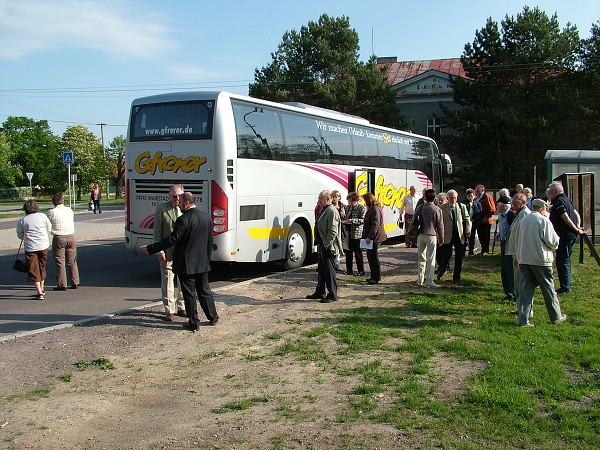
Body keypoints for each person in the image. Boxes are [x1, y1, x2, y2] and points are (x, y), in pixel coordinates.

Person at [141, 192, 218, 331]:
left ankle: (193, 322)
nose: (179, 205)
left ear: (187, 203)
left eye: (181, 202)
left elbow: (172, 239)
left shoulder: (183, 219)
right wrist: (206, 258)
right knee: (205, 291)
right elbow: (210, 240)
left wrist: (151, 248)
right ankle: (213, 317)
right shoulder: (206, 217)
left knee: (189, 294)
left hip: (186, 264)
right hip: (202, 262)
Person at [512, 198, 566, 327]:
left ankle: (523, 320)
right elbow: (553, 242)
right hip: (541, 260)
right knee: (548, 290)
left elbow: (517, 240)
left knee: (526, 291)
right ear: (542, 208)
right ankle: (556, 316)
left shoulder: (523, 220)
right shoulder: (543, 221)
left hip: (525, 260)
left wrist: (517, 256)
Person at [153, 184, 187, 321]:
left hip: (184, 253)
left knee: (183, 280)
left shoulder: (187, 208)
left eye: (179, 195)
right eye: (174, 195)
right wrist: (159, 250)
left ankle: (182, 307)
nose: (177, 198)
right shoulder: (162, 209)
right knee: (168, 281)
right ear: (169, 196)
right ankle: (169, 310)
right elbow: (157, 232)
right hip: (168, 252)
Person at [546, 181, 585, 294]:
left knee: (562, 261)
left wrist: (576, 229)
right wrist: (577, 226)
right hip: (570, 235)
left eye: (551, 191)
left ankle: (565, 287)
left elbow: (566, 218)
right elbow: (576, 214)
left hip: (565, 235)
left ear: (557, 191)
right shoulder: (567, 200)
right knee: (566, 260)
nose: (549, 193)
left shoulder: (558, 202)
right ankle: (567, 285)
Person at [306, 190, 344, 302]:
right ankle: (320, 291)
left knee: (329, 270)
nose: (318, 201)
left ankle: (332, 294)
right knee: (322, 270)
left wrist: (326, 245)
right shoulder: (325, 209)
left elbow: (333, 231)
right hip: (322, 245)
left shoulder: (331, 211)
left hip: (328, 246)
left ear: (327, 199)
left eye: (320, 199)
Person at [16, 199, 52, 300]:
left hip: (30, 247)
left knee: (33, 269)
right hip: (43, 245)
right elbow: (49, 228)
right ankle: (42, 288)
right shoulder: (42, 216)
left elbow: (20, 234)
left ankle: (39, 293)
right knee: (42, 266)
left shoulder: (23, 220)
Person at [47, 192, 80, 291]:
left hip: (59, 237)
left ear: (53, 202)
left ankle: (62, 284)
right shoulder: (69, 210)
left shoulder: (51, 212)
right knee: (72, 260)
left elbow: (47, 224)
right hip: (71, 236)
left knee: (60, 261)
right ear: (62, 200)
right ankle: (75, 281)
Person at [437, 190, 471, 284]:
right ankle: (443, 269)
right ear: (447, 198)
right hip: (447, 235)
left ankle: (457, 277)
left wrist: (467, 231)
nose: (453, 199)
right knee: (446, 255)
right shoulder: (442, 208)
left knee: (459, 257)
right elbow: (439, 222)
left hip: (459, 235)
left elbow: (467, 219)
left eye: (455, 197)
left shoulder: (461, 207)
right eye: (451, 198)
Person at [506, 193, 531, 313]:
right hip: (516, 253)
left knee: (523, 283)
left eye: (515, 203)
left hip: (521, 255)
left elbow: (523, 236)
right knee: (518, 283)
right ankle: (521, 308)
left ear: (523, 203)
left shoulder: (525, 214)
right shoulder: (519, 213)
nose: (512, 205)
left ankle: (525, 310)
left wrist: (519, 256)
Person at [415, 189, 444, 288]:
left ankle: (420, 279)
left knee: (421, 258)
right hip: (432, 235)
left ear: (425, 197)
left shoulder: (420, 207)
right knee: (431, 259)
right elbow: (440, 226)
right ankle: (429, 280)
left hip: (421, 234)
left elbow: (414, 220)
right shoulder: (437, 209)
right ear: (434, 198)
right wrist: (441, 238)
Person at [362, 192, 387, 285]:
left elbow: (375, 225)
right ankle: (374, 276)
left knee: (373, 257)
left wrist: (370, 237)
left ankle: (375, 277)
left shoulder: (375, 209)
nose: (364, 202)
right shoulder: (373, 209)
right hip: (373, 237)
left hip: (375, 238)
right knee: (371, 256)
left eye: (365, 200)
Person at [496, 196, 515, 299]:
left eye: (498, 204)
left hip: (509, 245)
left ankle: (512, 292)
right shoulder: (502, 215)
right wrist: (499, 234)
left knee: (509, 269)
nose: (497, 206)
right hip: (503, 243)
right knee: (504, 269)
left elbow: (513, 230)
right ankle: (508, 292)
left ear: (502, 205)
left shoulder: (510, 214)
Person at [344, 191, 365, 276]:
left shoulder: (361, 208)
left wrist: (353, 221)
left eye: (350, 200)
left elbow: (363, 220)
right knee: (348, 252)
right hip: (348, 232)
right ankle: (349, 270)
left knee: (357, 252)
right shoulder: (348, 207)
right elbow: (346, 216)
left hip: (356, 233)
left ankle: (361, 270)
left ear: (355, 200)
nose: (349, 202)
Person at [475, 184, 496, 255]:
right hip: (479, 220)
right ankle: (483, 250)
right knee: (480, 235)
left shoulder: (487, 197)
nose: (477, 191)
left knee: (485, 236)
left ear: (482, 190)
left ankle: (486, 250)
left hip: (486, 220)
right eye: (476, 189)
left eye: (478, 189)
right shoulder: (476, 198)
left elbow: (492, 209)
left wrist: (486, 217)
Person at [331, 190, 347, 271]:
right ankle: (332, 265)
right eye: (333, 196)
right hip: (333, 229)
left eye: (336, 196)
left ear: (339, 197)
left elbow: (346, 216)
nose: (334, 198)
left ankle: (337, 264)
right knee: (333, 247)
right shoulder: (330, 207)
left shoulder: (343, 206)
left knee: (339, 245)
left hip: (341, 229)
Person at [464, 188, 482, 256]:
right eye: (469, 196)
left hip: (474, 223)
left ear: (474, 196)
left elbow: (480, 213)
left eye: (471, 195)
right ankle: (463, 252)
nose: (470, 197)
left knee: (472, 237)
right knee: (465, 237)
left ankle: (471, 252)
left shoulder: (477, 204)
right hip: (466, 223)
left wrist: (474, 219)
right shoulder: (464, 203)